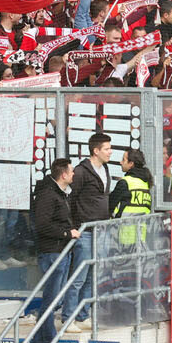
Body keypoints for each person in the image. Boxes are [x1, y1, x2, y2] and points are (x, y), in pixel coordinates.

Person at [30, 159, 80, 343]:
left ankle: (37, 341)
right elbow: (42, 225)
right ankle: (49, 342)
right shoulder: (48, 195)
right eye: (72, 171)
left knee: (54, 299)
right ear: (63, 174)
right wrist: (67, 233)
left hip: (61, 251)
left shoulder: (59, 195)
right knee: (51, 299)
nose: (74, 174)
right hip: (52, 252)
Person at [65, 132, 112, 328]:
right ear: (96, 151)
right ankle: (68, 317)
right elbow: (70, 199)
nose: (110, 152)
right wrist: (74, 225)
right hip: (85, 230)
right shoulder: (82, 171)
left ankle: (82, 316)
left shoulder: (106, 168)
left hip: (100, 229)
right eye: (107, 149)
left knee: (93, 276)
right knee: (79, 276)